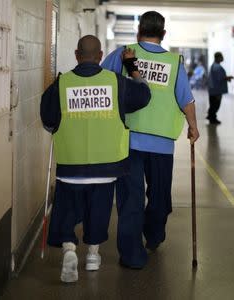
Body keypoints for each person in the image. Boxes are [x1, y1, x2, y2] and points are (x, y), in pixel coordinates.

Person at [40, 35, 151, 282]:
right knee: (98, 211)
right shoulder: (116, 82)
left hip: (71, 167)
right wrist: (133, 68)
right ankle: (92, 255)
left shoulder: (61, 84)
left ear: (77, 55)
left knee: (68, 210)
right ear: (101, 56)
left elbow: (48, 121)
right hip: (107, 166)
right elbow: (144, 95)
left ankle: (69, 249)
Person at [101, 11, 200, 269]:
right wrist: (193, 126)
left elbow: (102, 81)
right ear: (163, 34)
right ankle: (154, 236)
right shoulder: (174, 61)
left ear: (138, 31)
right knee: (159, 198)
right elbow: (186, 99)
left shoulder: (124, 53)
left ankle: (132, 256)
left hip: (128, 140)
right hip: (162, 145)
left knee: (130, 199)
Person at [207, 52, 233, 124]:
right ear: (218, 57)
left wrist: (226, 78)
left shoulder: (214, 66)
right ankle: (212, 118)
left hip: (213, 89)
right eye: (221, 57)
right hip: (217, 90)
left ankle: (210, 116)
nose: (223, 58)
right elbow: (219, 78)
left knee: (212, 104)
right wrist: (227, 78)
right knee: (216, 105)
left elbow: (217, 78)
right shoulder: (217, 67)